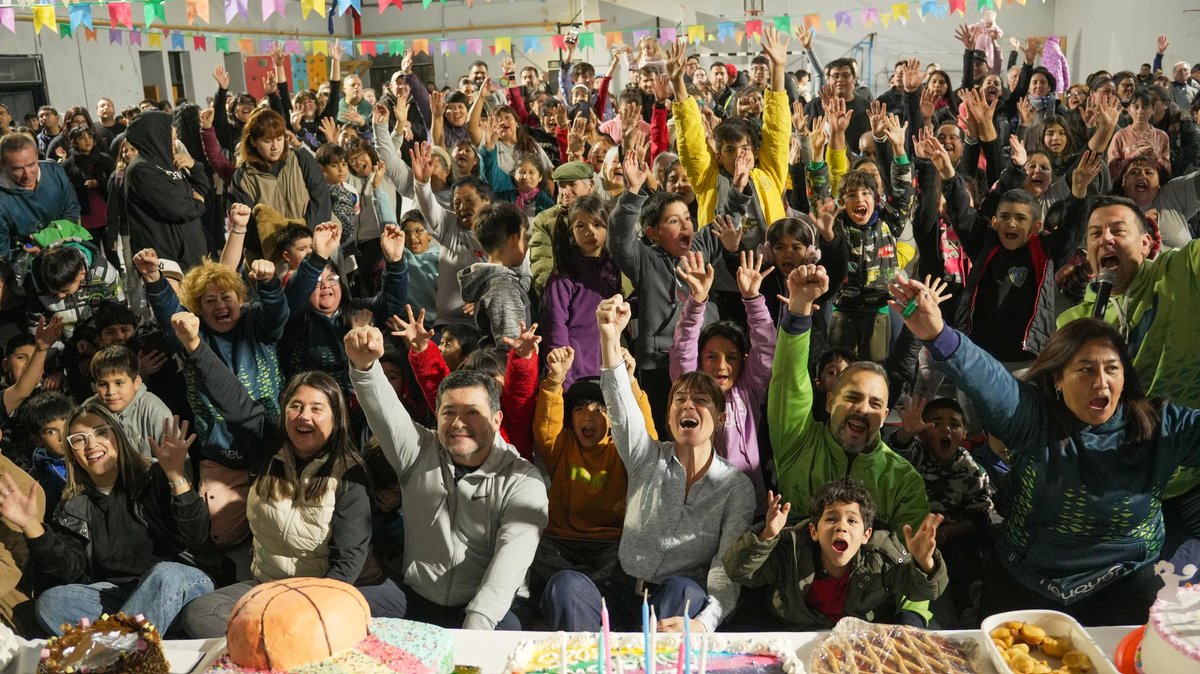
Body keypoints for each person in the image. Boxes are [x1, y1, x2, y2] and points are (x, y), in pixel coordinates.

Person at [892, 275, 1200, 626]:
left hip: (1127, 580)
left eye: (1112, 369)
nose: (1101, 382)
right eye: (1085, 369)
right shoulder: (1033, 418)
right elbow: (992, 382)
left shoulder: (1160, 427)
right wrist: (938, 335)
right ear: (1058, 379)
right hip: (1027, 579)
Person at [173, 313, 406, 637]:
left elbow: (346, 566)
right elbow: (233, 400)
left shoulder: (350, 476)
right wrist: (194, 345)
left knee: (301, 634)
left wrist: (295, 613)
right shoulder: (271, 445)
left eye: (316, 408)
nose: (304, 416)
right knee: (201, 614)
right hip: (276, 585)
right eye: (296, 406)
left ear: (336, 418)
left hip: (346, 590)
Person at [540, 294, 754, 633]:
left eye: (699, 401)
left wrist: (703, 623)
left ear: (719, 416)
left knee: (683, 591)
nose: (688, 406)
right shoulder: (647, 457)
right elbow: (621, 408)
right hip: (621, 594)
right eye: (679, 400)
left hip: (674, 607)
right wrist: (609, 336)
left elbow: (725, 569)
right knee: (565, 585)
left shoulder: (735, 487)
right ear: (668, 417)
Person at [346, 323, 549, 630]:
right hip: (417, 597)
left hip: (492, 607)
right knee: (345, 609)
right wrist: (364, 366)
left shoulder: (523, 480)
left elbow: (509, 564)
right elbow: (383, 412)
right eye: (448, 412)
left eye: (472, 412)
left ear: (496, 420)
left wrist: (474, 630)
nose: (458, 423)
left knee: (503, 636)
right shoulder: (418, 451)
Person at [1058, 196, 1200, 548]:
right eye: (1094, 234)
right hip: (1130, 489)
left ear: (1147, 243)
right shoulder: (1073, 323)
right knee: (1158, 597)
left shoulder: (1183, 272)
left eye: (1118, 230)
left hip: (1194, 474)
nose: (1105, 238)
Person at [0, 407, 218, 636]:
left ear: (118, 437)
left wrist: (176, 476)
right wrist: (31, 526)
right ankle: (135, 642)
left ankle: (121, 654)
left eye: (100, 433)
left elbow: (196, 534)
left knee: (165, 574)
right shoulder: (73, 506)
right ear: (71, 453)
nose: (91, 445)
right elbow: (69, 571)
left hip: (181, 584)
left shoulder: (154, 476)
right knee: (51, 602)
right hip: (120, 596)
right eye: (79, 440)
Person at [767, 263, 929, 536]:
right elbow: (790, 383)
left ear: (885, 413)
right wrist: (799, 309)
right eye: (852, 397)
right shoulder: (798, 443)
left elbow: (910, 560)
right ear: (830, 402)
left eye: (875, 404)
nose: (862, 409)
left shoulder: (903, 480)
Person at [724, 479, 946, 628]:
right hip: (795, 634)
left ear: (866, 535)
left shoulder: (881, 556)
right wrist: (766, 536)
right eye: (831, 519)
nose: (841, 527)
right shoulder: (789, 550)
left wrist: (924, 562)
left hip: (857, 641)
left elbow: (925, 590)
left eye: (852, 520)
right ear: (813, 531)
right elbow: (738, 571)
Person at [530, 346, 654, 593]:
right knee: (529, 552)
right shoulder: (561, 445)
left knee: (630, 563)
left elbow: (646, 438)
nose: (589, 415)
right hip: (559, 542)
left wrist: (630, 382)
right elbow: (546, 427)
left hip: (610, 544)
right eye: (580, 408)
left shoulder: (624, 450)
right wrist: (554, 381)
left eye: (601, 408)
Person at [670, 250, 777, 511]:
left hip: (748, 499)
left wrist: (752, 298)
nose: (721, 366)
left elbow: (766, 348)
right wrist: (697, 300)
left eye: (731, 357)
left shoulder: (749, 388)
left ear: (743, 360)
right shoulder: (691, 389)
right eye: (711, 357)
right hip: (699, 500)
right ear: (700, 360)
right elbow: (683, 346)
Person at [123, 111, 211, 270]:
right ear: (155, 133)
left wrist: (194, 166)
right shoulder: (141, 170)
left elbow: (203, 189)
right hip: (169, 262)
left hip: (193, 256)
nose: (174, 131)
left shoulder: (170, 160)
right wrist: (198, 202)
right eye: (169, 127)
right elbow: (178, 209)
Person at [457, 202, 532, 351]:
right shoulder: (502, 286)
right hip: (507, 371)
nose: (527, 245)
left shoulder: (492, 281)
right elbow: (511, 345)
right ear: (514, 239)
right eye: (524, 239)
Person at [0, 132, 81, 257]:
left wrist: (47, 240)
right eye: (17, 168)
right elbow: (3, 252)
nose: (27, 174)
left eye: (32, 164)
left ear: (37, 155)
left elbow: (72, 209)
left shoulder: (54, 171)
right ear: (3, 164)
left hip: (68, 251)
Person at [83, 345, 171, 459]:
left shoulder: (155, 410)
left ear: (136, 382)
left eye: (119, 383)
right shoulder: (89, 410)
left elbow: (177, 464)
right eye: (103, 384)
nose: (111, 392)